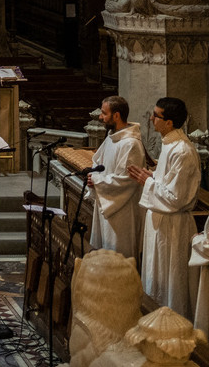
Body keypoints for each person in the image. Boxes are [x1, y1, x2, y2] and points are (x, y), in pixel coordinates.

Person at [128, 97, 199, 318]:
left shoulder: (182, 151)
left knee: (171, 283)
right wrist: (152, 178)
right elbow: (167, 185)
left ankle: (171, 326)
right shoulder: (169, 144)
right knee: (155, 279)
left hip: (173, 227)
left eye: (156, 115)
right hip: (161, 224)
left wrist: (147, 182)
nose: (151, 119)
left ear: (169, 122)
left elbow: (176, 198)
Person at [85, 96, 147, 258]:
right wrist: (93, 176)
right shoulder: (112, 137)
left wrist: (97, 180)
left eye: (104, 113)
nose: (100, 117)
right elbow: (97, 161)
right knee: (104, 256)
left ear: (117, 115)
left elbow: (126, 181)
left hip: (122, 212)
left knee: (119, 258)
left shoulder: (131, 144)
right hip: (107, 205)